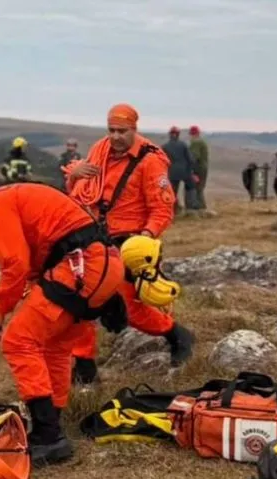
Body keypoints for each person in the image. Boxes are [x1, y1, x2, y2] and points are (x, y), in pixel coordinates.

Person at [0, 166, 125, 467]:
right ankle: (52, 424)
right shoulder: (8, 198)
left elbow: (15, 266)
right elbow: (34, 265)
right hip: (99, 266)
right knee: (54, 345)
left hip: (82, 266)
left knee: (18, 341)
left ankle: (49, 436)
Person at [63, 104, 196, 387]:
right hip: (96, 239)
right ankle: (84, 366)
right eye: (111, 130)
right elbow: (80, 193)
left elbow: (162, 209)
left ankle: (177, 335)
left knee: (129, 308)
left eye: (122, 131)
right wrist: (76, 174)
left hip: (131, 242)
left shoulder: (150, 162)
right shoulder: (99, 153)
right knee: (80, 298)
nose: (115, 137)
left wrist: (144, 240)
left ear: (134, 129)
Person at [161, 126, 198, 212]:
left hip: (172, 173)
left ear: (170, 135)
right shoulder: (183, 145)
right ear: (178, 135)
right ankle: (191, 208)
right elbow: (190, 159)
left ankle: (173, 210)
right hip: (185, 171)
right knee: (190, 187)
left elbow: (161, 160)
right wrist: (193, 170)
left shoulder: (165, 147)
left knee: (172, 191)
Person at [188, 126, 209, 209]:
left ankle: (201, 208)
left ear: (193, 134)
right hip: (203, 168)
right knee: (200, 188)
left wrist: (192, 171)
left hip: (198, 169)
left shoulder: (195, 142)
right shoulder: (201, 141)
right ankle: (202, 207)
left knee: (198, 188)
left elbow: (194, 157)